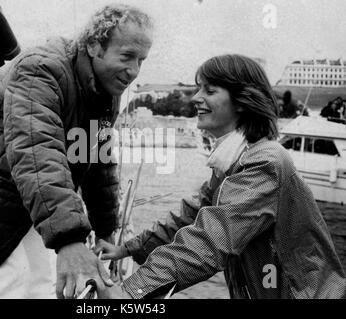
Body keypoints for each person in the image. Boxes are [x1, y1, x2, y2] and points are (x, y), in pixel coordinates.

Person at [0, 4, 153, 299]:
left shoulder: (105, 91)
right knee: (14, 281)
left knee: (42, 279)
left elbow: (98, 163)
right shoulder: (42, 69)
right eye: (127, 56)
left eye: (141, 60)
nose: (134, 71)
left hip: (25, 183)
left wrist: (105, 231)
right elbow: (37, 150)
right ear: (93, 45)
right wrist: (68, 240)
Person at [95, 54, 346, 299]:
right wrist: (125, 249)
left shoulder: (265, 162)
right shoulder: (231, 163)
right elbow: (189, 218)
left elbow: (209, 240)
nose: (196, 98)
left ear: (241, 101)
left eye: (209, 90)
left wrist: (129, 292)